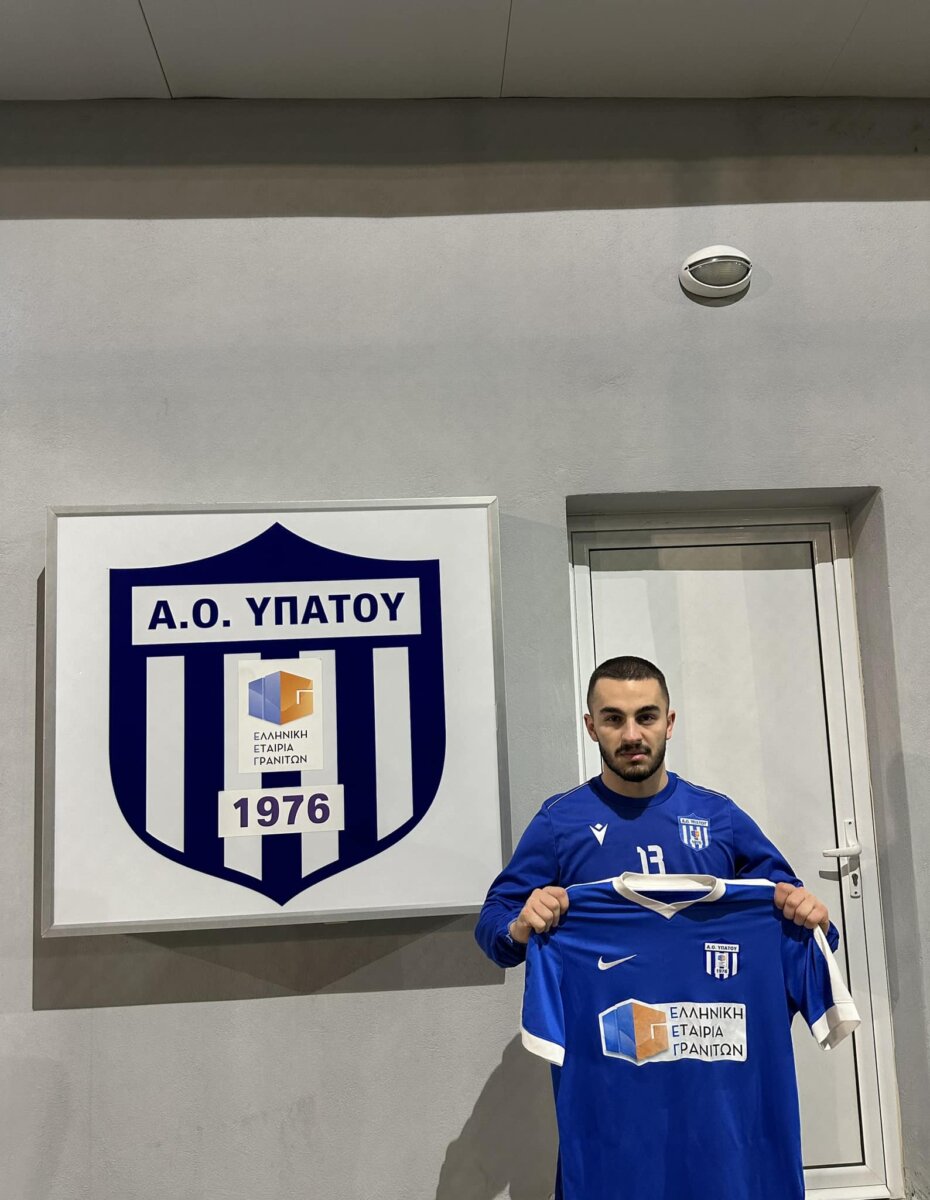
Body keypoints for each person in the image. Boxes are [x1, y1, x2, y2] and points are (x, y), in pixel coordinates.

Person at [476, 654, 837, 969]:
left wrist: (817, 921)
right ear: (591, 727)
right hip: (605, 1022)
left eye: (646, 717)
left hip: (704, 1020)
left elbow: (802, 918)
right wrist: (519, 927)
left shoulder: (718, 816)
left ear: (669, 722)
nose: (632, 735)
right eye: (614, 719)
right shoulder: (560, 820)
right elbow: (494, 921)